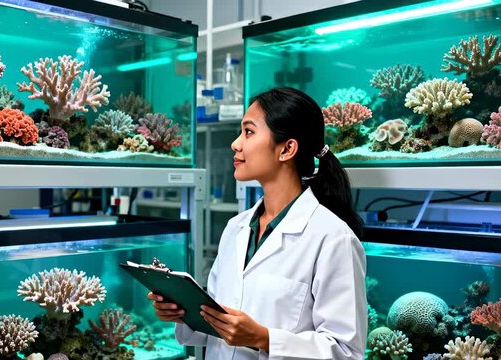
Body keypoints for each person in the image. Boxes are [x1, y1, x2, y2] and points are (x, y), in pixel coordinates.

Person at [148, 87, 367, 359]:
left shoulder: (334, 239)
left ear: (287, 149)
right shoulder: (236, 228)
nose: (235, 143)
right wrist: (185, 313)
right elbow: (221, 322)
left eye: (248, 132)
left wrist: (264, 339)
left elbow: (347, 352)